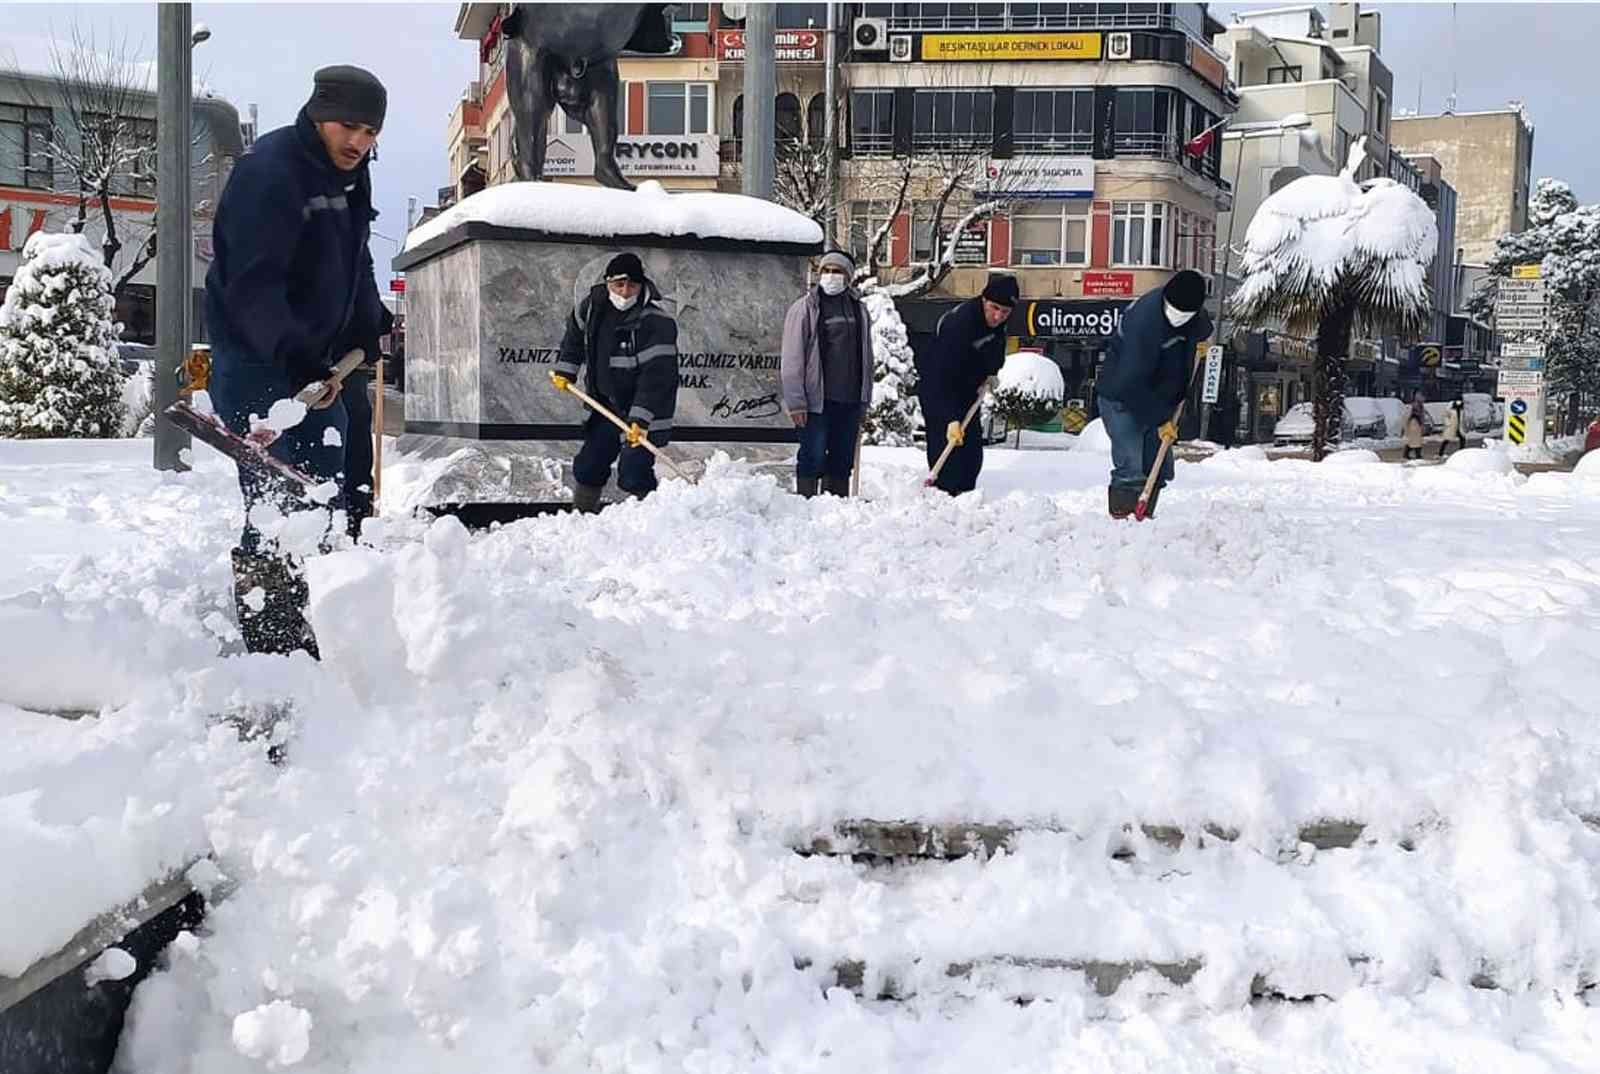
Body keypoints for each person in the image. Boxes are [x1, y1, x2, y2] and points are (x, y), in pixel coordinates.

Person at [205, 65, 393, 657]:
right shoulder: (271, 174)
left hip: (319, 364)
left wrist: (368, 317)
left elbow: (355, 256)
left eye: (370, 131)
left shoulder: (351, 175)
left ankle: (322, 609)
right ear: (317, 114)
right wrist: (296, 360)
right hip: (260, 360)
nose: (358, 143)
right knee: (278, 495)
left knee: (330, 488)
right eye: (348, 126)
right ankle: (273, 636)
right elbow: (252, 286)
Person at [551, 252, 679, 512]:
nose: (624, 292)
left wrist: (641, 419)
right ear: (607, 282)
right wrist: (566, 371)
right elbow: (574, 339)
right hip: (606, 405)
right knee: (590, 464)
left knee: (633, 472)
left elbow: (657, 377)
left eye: (632, 285)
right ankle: (582, 517)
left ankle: (652, 520)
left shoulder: (656, 322)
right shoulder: (592, 308)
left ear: (641, 285)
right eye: (618, 284)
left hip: (644, 410)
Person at [1096, 269, 1213, 519]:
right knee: (1132, 465)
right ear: (1166, 299)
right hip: (1121, 399)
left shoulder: (1191, 313)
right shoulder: (1144, 324)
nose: (1179, 317)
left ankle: (1145, 520)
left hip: (1159, 397)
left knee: (1157, 467)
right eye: (1176, 310)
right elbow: (1130, 384)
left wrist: (1201, 340)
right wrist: (1160, 419)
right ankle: (1122, 521)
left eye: (1187, 314)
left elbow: (1201, 327)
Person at [781, 250, 874, 497]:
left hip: (849, 400)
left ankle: (837, 511)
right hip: (815, 402)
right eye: (826, 271)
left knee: (842, 461)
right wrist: (796, 402)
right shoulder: (805, 309)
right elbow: (792, 358)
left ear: (849, 277)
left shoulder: (859, 311)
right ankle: (807, 505)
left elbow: (866, 357)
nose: (831, 276)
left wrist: (864, 400)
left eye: (838, 271)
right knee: (812, 456)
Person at [916, 273, 1017, 495]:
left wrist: (991, 374)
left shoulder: (998, 327)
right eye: (994, 308)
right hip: (939, 392)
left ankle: (966, 503)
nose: (998, 316)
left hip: (968, 394)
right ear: (984, 300)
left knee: (971, 459)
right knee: (949, 457)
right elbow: (941, 375)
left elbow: (994, 354)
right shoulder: (959, 324)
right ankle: (943, 500)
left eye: (1005, 311)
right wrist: (950, 417)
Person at [1402, 395, 1427, 460]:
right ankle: (1414, 454)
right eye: (1421, 401)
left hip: (1417, 426)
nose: (1422, 402)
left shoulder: (1420, 407)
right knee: (1414, 441)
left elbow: (1422, 416)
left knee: (1415, 441)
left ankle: (1408, 454)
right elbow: (1407, 417)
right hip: (1413, 426)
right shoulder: (1413, 407)